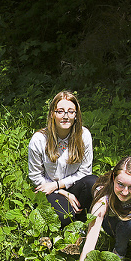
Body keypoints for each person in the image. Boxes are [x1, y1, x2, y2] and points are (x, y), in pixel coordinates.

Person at [27, 91, 97, 224]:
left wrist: (60, 184)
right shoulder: (39, 139)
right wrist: (60, 190)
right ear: (53, 114)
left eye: (71, 111)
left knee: (93, 182)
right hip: (49, 190)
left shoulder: (84, 135)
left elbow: (85, 172)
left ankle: (85, 223)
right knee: (64, 216)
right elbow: (35, 176)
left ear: (76, 115)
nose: (66, 116)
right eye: (60, 111)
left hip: (76, 186)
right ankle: (69, 227)